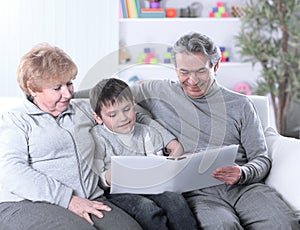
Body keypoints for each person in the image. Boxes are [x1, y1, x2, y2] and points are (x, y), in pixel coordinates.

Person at [130, 32, 300, 229]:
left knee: (282, 224)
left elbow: (261, 159)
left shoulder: (241, 104)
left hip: (245, 188)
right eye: (184, 72)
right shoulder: (158, 92)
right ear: (176, 70)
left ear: (216, 66)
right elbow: (108, 96)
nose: (192, 80)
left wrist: (243, 172)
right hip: (199, 193)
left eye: (201, 71)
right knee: (222, 226)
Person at [0, 44, 142, 230]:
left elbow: (129, 108)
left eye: (69, 83)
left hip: (90, 198)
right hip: (27, 202)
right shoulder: (16, 120)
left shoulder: (82, 109)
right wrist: (67, 199)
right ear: (32, 88)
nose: (67, 94)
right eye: (56, 88)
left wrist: (166, 139)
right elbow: (11, 172)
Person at [89, 78, 198, 230]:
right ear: (98, 118)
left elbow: (158, 162)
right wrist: (108, 178)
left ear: (133, 104)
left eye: (127, 109)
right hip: (119, 192)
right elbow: (95, 175)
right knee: (146, 208)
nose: (123, 118)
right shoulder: (97, 137)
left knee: (175, 200)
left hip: (150, 185)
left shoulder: (147, 132)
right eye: (113, 115)